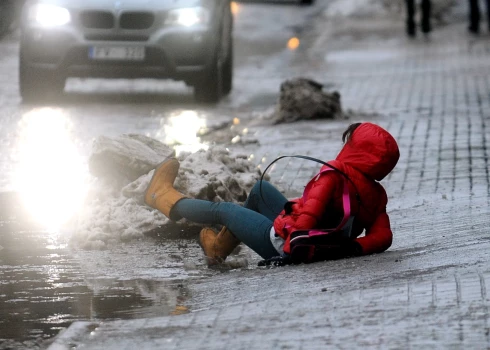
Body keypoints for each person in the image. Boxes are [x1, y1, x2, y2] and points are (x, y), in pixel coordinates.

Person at [144, 122, 400, 266]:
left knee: (224, 211)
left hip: (283, 242)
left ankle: (162, 197)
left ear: (355, 148)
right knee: (260, 190)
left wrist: (291, 250)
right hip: (311, 241)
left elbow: (310, 214)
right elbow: (383, 236)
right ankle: (218, 247)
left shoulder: (335, 173)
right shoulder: (377, 195)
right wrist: (352, 247)